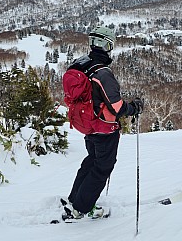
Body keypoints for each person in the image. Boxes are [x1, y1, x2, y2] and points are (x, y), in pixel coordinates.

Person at [63, 26, 143, 219]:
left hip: (87, 125)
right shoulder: (103, 73)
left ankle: (76, 198)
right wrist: (134, 108)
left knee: (92, 160)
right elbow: (117, 106)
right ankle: (81, 208)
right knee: (103, 166)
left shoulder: (80, 65)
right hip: (103, 128)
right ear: (108, 46)